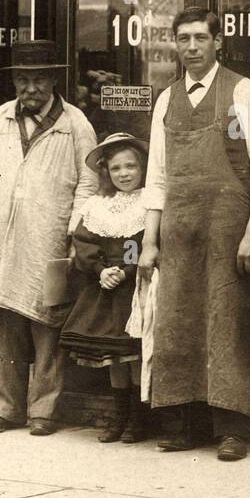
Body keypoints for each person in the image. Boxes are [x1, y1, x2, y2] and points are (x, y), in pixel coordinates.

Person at [137, 6, 250, 461]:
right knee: (177, 322)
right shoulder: (165, 99)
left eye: (201, 38)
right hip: (179, 230)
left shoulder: (246, 92)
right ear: (176, 45)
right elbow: (156, 177)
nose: (192, 47)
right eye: (184, 39)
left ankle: (233, 427)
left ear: (218, 41)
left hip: (228, 227)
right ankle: (186, 423)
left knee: (229, 320)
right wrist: (149, 240)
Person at [0, 39, 98, 436]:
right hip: (3, 234)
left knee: (47, 322)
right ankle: (3, 407)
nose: (30, 89)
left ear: (53, 80)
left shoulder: (75, 123)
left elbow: (88, 184)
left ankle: (44, 409)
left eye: (39, 80)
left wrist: (76, 233)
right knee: (3, 317)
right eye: (23, 80)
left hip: (50, 234)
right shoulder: (1, 118)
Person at [57, 132, 150, 444]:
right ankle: (119, 414)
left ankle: (140, 419)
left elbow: (146, 244)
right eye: (116, 169)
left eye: (131, 167)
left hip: (135, 285)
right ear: (106, 172)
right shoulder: (97, 205)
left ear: (142, 168)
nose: (124, 174)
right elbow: (84, 243)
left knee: (133, 354)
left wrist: (125, 270)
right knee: (113, 356)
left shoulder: (148, 203)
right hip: (105, 284)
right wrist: (100, 269)